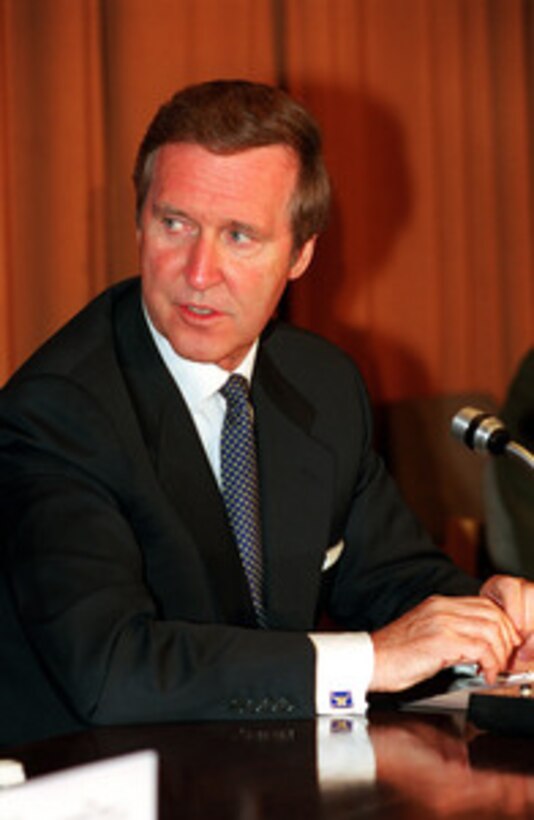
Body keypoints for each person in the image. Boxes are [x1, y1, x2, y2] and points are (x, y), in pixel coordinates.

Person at [0, 79, 533, 747]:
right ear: (137, 222)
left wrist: (486, 626)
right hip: (90, 784)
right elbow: (112, 670)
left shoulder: (321, 383)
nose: (198, 271)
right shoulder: (61, 411)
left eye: (240, 236)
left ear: (301, 254)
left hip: (260, 773)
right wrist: (372, 659)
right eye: (175, 224)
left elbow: (391, 578)